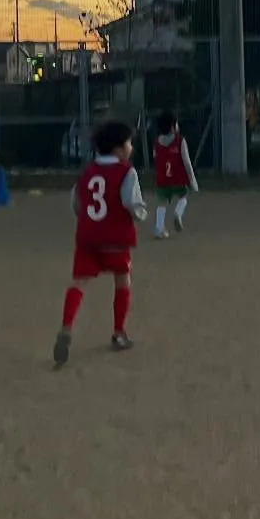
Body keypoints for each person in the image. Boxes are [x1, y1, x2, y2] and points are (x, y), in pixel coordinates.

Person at [54, 120, 148, 366]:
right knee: (122, 280)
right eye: (129, 143)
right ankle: (118, 333)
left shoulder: (86, 173)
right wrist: (141, 213)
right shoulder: (127, 172)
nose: (131, 148)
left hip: (88, 238)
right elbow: (132, 203)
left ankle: (66, 326)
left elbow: (76, 203)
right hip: (115, 239)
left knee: (78, 282)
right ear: (118, 149)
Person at [152, 110, 199, 239]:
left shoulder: (156, 143)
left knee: (162, 203)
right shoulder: (180, 141)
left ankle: (159, 228)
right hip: (178, 178)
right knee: (183, 197)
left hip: (162, 179)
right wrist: (192, 181)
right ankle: (178, 213)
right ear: (173, 127)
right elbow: (187, 162)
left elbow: (156, 159)